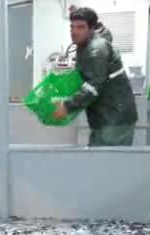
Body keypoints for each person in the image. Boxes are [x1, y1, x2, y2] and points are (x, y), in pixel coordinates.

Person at [53, 7, 137, 146]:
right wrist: (80, 13)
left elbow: (93, 87)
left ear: (91, 29)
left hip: (113, 118)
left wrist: (67, 106)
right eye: (72, 27)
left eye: (80, 27)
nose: (74, 32)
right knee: (98, 159)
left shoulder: (96, 50)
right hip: (107, 116)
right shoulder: (96, 38)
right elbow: (104, 30)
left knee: (106, 163)